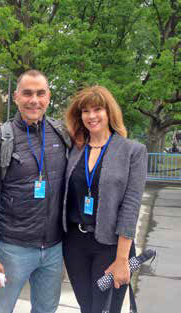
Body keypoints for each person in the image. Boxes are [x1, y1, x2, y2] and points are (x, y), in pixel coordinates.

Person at [0, 70, 70, 313]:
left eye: (40, 93)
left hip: (54, 249)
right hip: (12, 250)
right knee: (1, 309)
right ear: (15, 97)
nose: (34, 100)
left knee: (47, 309)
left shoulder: (62, 134)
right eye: (27, 93)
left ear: (48, 97)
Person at [62, 85, 147, 313]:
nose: (91, 116)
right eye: (85, 111)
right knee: (86, 307)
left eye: (97, 109)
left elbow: (130, 207)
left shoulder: (133, 151)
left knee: (104, 309)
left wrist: (122, 260)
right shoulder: (74, 149)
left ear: (109, 112)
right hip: (75, 245)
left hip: (110, 246)